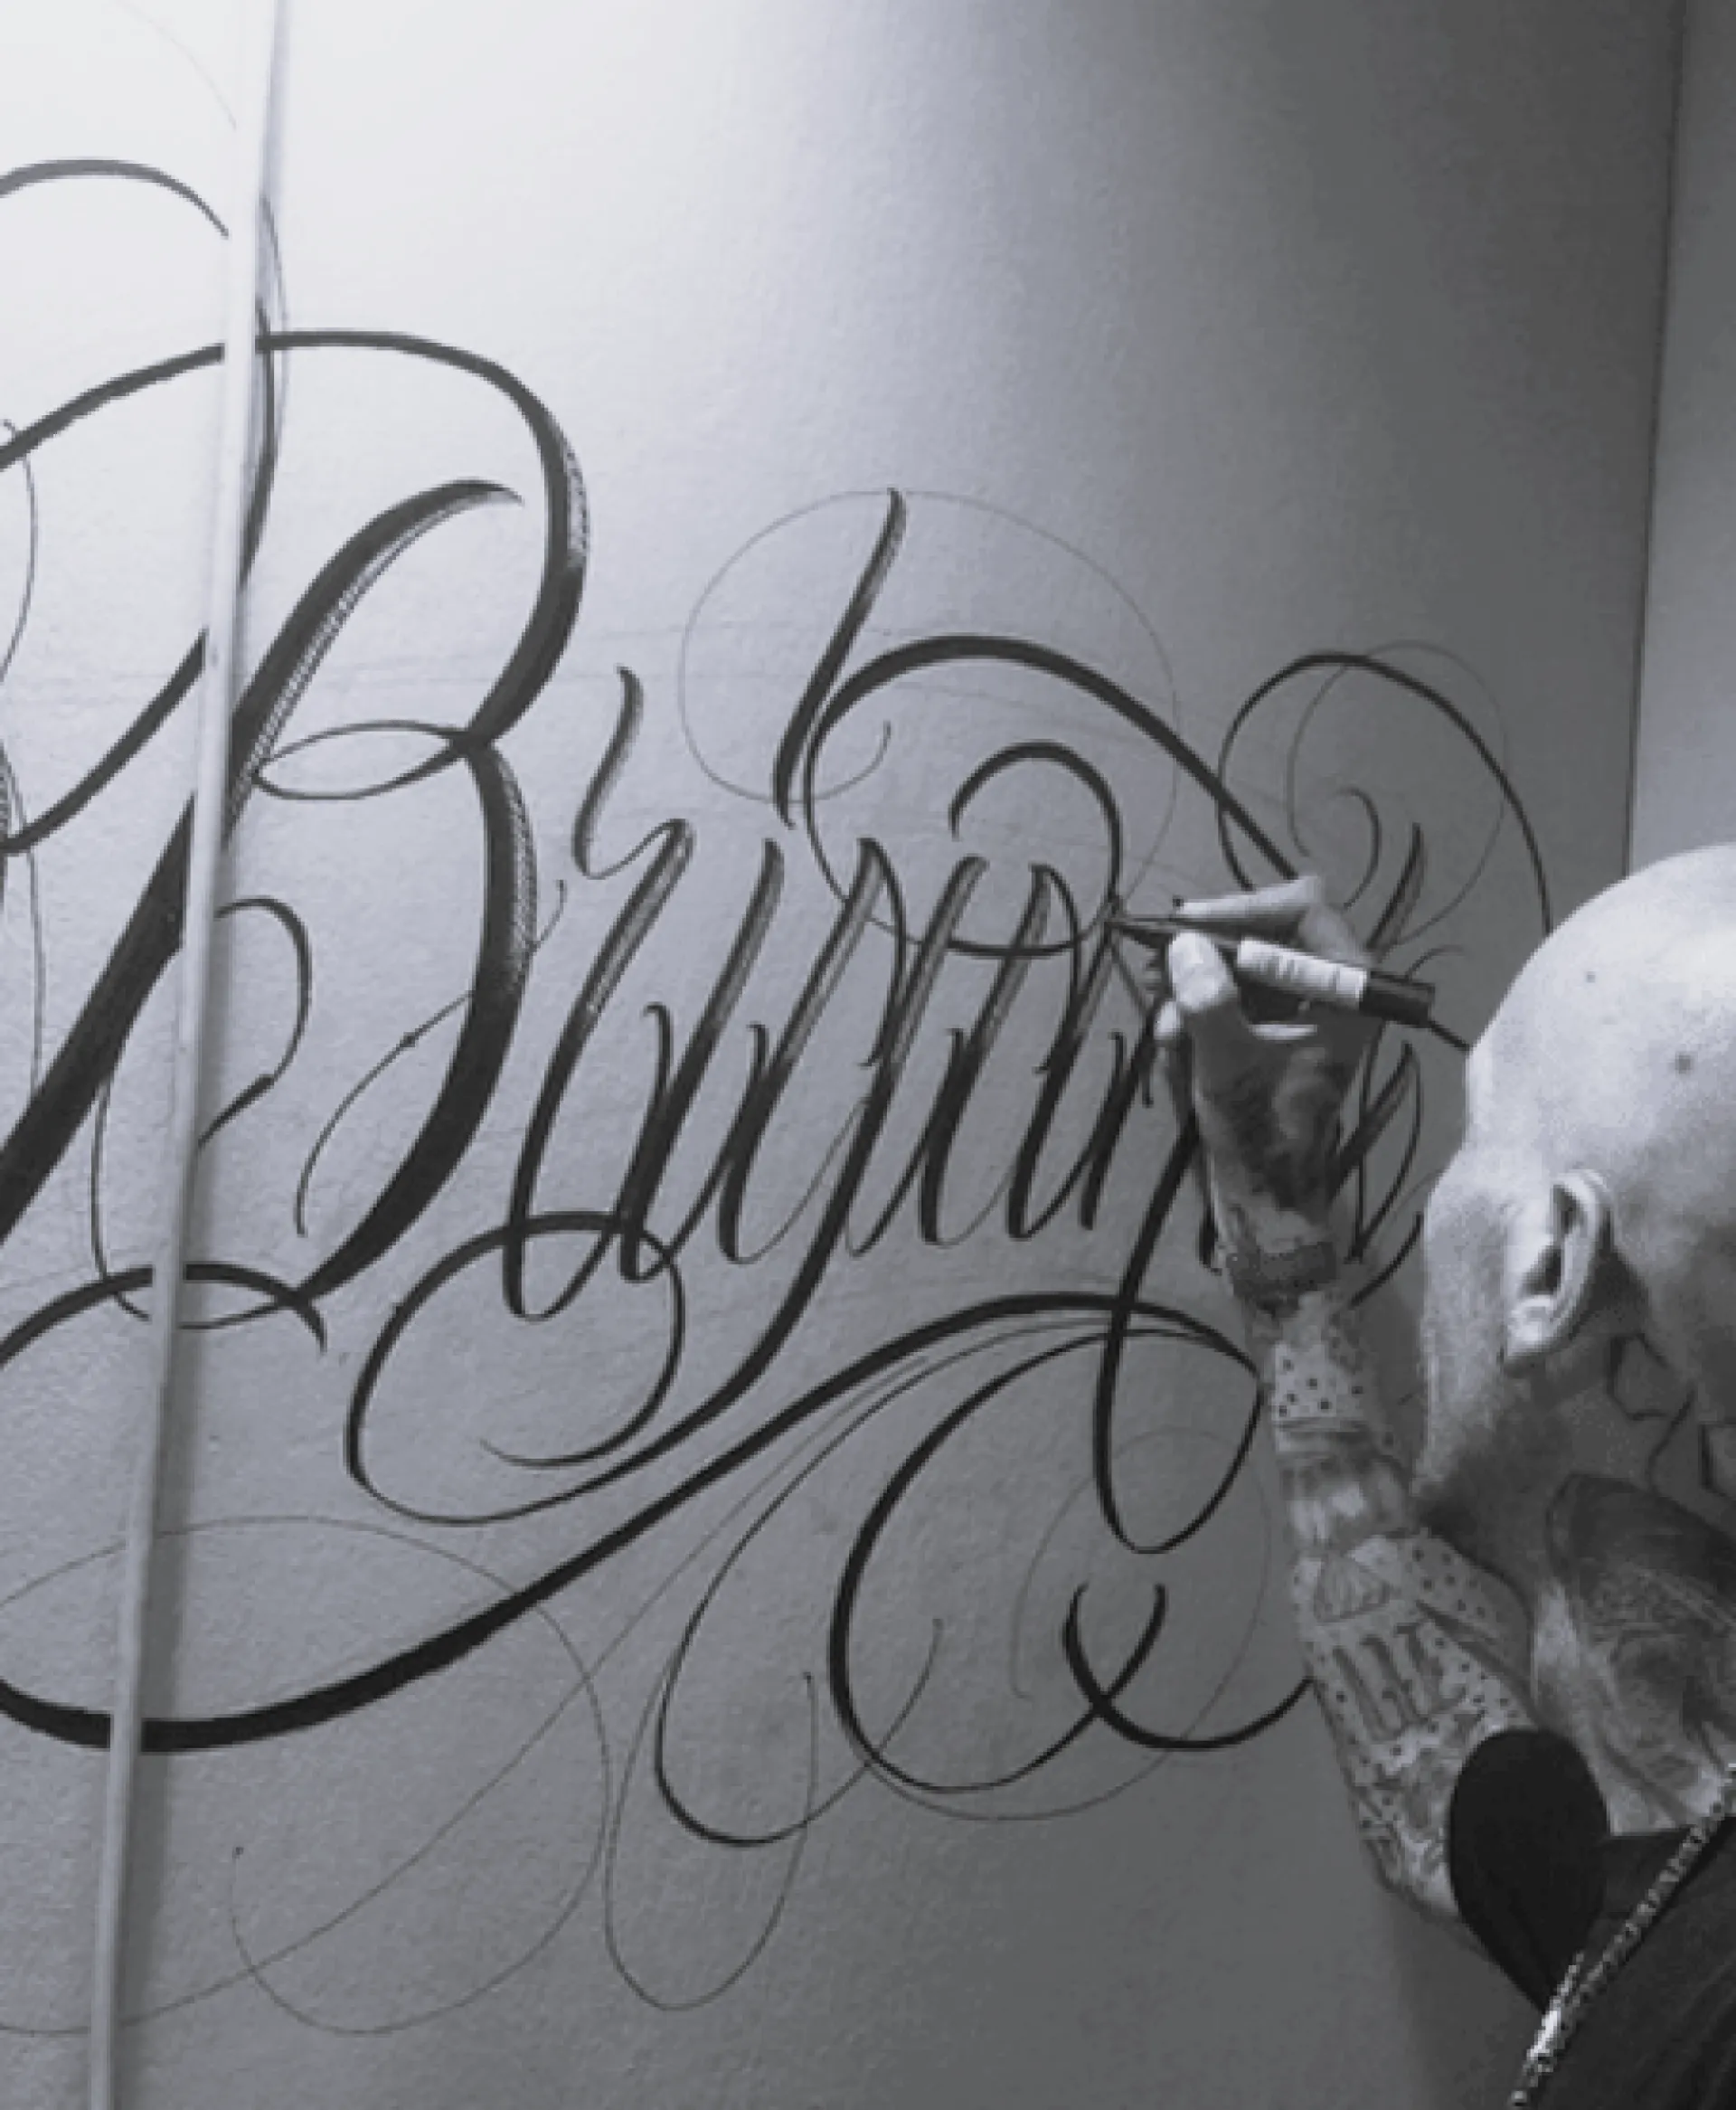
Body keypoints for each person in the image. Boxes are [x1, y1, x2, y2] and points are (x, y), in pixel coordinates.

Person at [1155, 848, 1736, 2109]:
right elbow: (1421, 1742)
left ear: (1550, 1268)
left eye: (1478, 1131)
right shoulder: (1671, 1848)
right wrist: (1276, 1217)